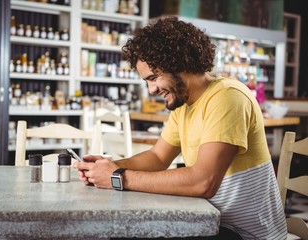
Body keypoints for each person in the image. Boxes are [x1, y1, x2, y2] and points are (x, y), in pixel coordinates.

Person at [73, 16, 287, 239]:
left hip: (246, 234)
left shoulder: (227, 97)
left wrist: (118, 177)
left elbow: (203, 182)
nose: (152, 90)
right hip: (212, 222)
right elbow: (157, 157)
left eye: (154, 78)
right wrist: (108, 166)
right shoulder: (184, 105)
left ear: (178, 63)